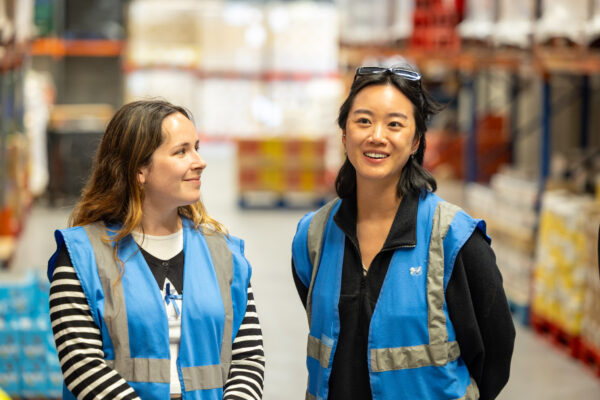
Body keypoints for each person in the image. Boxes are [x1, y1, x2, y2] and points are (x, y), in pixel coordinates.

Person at [291, 66, 515, 400]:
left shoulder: (455, 239)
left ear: (415, 142)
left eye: (394, 124)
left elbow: (495, 352)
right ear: (343, 135)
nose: (376, 135)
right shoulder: (314, 236)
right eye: (363, 121)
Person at [48, 100, 265, 400]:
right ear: (139, 170)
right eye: (181, 151)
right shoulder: (80, 257)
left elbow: (247, 358)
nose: (199, 161)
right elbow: (81, 364)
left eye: (197, 148)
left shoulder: (225, 253)